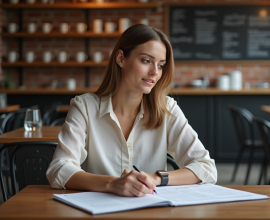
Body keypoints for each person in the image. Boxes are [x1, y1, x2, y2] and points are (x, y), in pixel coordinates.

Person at [46, 24, 217, 197]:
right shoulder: (85, 107)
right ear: (121, 58)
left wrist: (155, 178)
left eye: (160, 65)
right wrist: (112, 184)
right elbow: (59, 168)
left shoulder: (166, 108)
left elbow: (206, 167)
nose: (154, 72)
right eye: (146, 61)